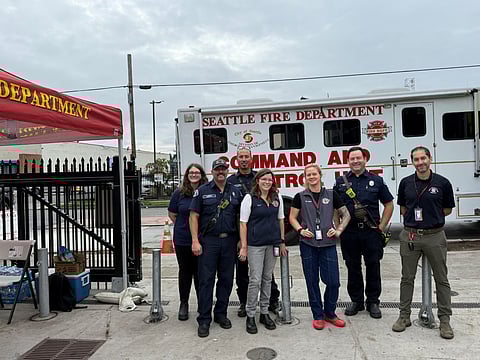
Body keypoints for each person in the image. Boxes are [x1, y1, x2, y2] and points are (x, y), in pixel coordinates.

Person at [392, 146, 455, 339]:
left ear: (430, 159)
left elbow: (447, 210)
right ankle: (404, 316)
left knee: (442, 279)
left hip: (435, 235)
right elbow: (403, 208)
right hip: (410, 235)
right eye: (416, 160)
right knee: (406, 278)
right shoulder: (405, 183)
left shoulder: (443, 183)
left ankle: (444, 320)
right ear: (412, 162)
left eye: (423, 158)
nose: (420, 163)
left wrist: (430, 217)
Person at [334, 146, 393, 319]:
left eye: (358, 158)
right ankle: (356, 301)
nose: (355, 161)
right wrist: (338, 227)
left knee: (373, 266)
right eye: (352, 158)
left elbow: (389, 204)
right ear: (348, 161)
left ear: (365, 159)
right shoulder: (340, 182)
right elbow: (335, 207)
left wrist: (381, 226)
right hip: (349, 232)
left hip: (371, 232)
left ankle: (373, 301)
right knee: (352, 267)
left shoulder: (377, 181)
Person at [290, 164, 350, 330]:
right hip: (308, 245)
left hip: (328, 244)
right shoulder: (300, 196)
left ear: (320, 175)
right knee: (312, 281)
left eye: (314, 174)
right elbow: (292, 217)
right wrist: (301, 230)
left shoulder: (331, 194)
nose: (311, 177)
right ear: (305, 177)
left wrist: (338, 230)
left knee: (333, 282)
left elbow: (346, 214)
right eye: (308, 175)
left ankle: (329, 313)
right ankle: (317, 315)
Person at [189, 158, 241, 338]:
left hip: (229, 241)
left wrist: (242, 241)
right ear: (212, 172)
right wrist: (195, 241)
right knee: (206, 281)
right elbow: (193, 216)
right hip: (208, 242)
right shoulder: (202, 191)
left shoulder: (236, 191)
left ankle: (221, 314)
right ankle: (204, 320)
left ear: (227, 171)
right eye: (217, 169)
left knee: (226, 280)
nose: (221, 172)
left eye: (224, 169)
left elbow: (241, 218)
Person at [227, 146, 280, 318]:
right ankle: (244, 302)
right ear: (236, 159)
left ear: (251, 159)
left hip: (262, 230)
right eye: (240, 156)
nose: (243, 159)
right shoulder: (231, 181)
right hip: (240, 228)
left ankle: (272, 300)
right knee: (242, 270)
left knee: (266, 272)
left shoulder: (260, 177)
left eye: (246, 156)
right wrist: (240, 240)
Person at [238, 169, 287, 334]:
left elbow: (281, 220)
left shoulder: (277, 198)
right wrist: (244, 247)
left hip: (272, 245)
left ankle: (264, 312)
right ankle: (251, 314)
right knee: (255, 280)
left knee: (267, 279)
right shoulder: (249, 198)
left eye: (269, 179)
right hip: (255, 246)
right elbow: (243, 224)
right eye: (264, 179)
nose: (267, 182)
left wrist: (281, 241)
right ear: (257, 181)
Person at [168, 163, 208, 321]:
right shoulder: (179, 193)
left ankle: (202, 304)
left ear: (201, 175)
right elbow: (172, 214)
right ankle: (183, 304)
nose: (194, 175)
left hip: (203, 239)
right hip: (183, 239)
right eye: (191, 172)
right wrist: (185, 226)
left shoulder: (205, 191)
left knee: (200, 273)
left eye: (197, 172)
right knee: (185, 272)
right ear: (187, 175)